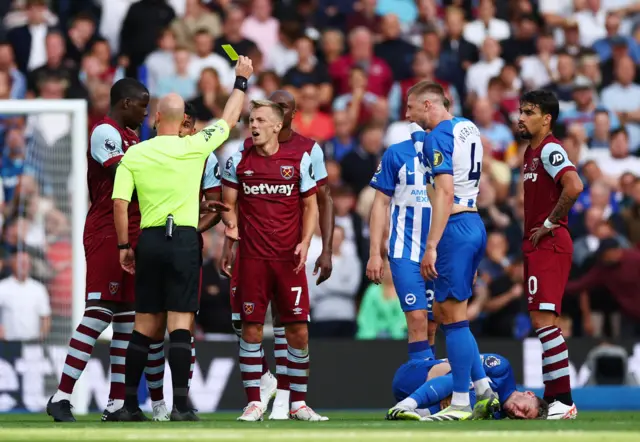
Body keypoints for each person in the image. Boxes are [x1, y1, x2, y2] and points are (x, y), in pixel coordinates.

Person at [110, 56, 252, 421]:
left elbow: (120, 204)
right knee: (180, 325)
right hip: (184, 239)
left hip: (150, 241)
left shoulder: (135, 154)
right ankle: (180, 404)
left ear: (157, 118)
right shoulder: (195, 146)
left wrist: (125, 246)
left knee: (144, 325)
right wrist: (240, 81)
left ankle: (128, 404)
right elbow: (230, 119)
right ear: (183, 121)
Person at [46, 78, 163, 423]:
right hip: (106, 231)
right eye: (142, 106)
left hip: (132, 231)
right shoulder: (104, 132)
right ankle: (62, 395)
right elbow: (123, 173)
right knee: (98, 314)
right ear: (126, 103)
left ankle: (116, 403)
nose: (145, 113)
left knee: (126, 320)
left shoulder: (131, 137)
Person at [220, 90, 333, 420]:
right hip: (252, 259)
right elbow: (230, 204)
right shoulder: (238, 158)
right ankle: (256, 399)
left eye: (260, 120)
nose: (252, 125)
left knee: (297, 329)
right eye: (250, 120)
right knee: (248, 326)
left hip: (288, 260)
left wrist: (309, 243)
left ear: (280, 123)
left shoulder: (303, 156)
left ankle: (296, 402)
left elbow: (315, 202)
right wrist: (229, 234)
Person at [407, 81, 498, 421]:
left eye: (411, 107)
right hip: (474, 223)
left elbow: (444, 192)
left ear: (429, 104)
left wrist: (431, 245)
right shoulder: (468, 127)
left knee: (452, 317)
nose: (407, 114)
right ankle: (484, 386)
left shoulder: (438, 135)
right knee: (450, 314)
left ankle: (461, 400)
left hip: (454, 227)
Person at [141, 102, 226, 417]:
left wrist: (189, 231)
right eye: (183, 123)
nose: (186, 130)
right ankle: (156, 402)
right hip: (151, 243)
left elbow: (215, 205)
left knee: (182, 325)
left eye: (191, 125)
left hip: (183, 248)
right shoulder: (149, 151)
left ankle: (179, 399)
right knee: (150, 326)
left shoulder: (205, 155)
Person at [518, 90, 584, 420]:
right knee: (543, 322)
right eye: (520, 110)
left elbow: (574, 185)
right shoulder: (530, 152)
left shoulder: (550, 149)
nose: (521, 116)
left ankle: (565, 400)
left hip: (551, 242)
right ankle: (553, 396)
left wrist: (549, 221)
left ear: (546, 119)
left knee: (545, 323)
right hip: (537, 243)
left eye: (529, 112)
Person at [366, 128, 436, 358]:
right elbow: (380, 204)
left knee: (434, 324)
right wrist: (375, 253)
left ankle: (432, 387)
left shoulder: (452, 149)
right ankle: (420, 387)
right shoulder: (395, 153)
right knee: (417, 319)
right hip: (405, 249)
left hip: (441, 250)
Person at [387, 353, 548, 420]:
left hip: (418, 398)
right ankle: (405, 406)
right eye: (524, 409)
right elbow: (460, 365)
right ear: (529, 394)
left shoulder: (498, 414)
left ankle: (413, 413)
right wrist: (457, 392)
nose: (517, 413)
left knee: (470, 407)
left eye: (520, 418)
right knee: (464, 379)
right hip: (415, 375)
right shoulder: (502, 369)